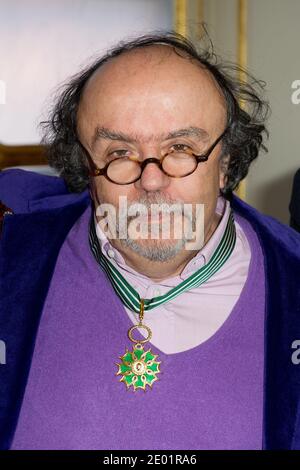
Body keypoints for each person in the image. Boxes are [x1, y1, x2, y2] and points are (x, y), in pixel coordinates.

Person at [0, 33, 300, 451]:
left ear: (226, 160)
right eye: (119, 152)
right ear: (85, 164)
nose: (151, 180)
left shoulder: (293, 278)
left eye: (180, 147)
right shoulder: (9, 259)